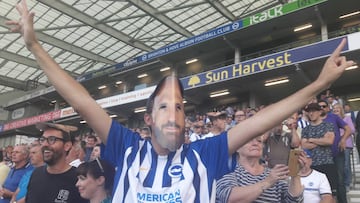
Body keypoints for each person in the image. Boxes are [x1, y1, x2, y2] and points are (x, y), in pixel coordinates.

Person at [7, 0, 354, 201]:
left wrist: (318, 85)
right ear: (147, 119)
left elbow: (261, 120)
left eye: (179, 107)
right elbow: (81, 100)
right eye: (163, 106)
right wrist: (34, 46)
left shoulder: (204, 155)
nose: (172, 115)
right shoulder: (126, 147)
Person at [216, 136, 303, 203]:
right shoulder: (227, 171)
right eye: (249, 140)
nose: (255, 143)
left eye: (259, 141)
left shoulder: (273, 174)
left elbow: (294, 200)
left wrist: (296, 172)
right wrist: (267, 182)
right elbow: (231, 199)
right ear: (237, 148)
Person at [25, 123, 87, 203]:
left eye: (52, 139)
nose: (45, 144)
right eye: (42, 140)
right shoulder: (36, 173)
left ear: (67, 146)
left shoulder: (78, 178)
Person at [301, 103, 337, 198]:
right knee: (314, 194)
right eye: (309, 111)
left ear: (320, 112)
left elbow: (329, 141)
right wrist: (321, 140)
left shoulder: (328, 125)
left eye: (314, 111)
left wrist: (312, 139)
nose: (311, 113)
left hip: (327, 163)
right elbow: (304, 145)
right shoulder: (305, 129)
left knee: (331, 194)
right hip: (312, 165)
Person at [318, 99, 351, 203]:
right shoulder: (314, 120)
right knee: (325, 182)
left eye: (324, 106)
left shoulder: (334, 117)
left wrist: (343, 139)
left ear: (328, 108)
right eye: (319, 107)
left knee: (340, 180)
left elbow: (348, 129)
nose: (322, 108)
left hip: (337, 153)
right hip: (322, 156)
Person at [333, 103, 356, 190]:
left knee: (346, 164)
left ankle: (347, 182)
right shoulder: (333, 120)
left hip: (346, 143)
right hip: (336, 144)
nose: (335, 110)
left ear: (341, 110)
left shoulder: (347, 118)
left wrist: (342, 133)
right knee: (339, 165)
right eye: (334, 109)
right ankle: (341, 183)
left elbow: (352, 129)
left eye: (337, 109)